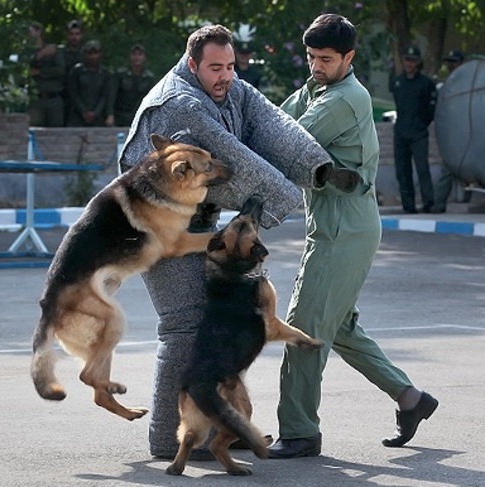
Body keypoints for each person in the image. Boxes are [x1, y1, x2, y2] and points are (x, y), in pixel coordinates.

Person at [118, 24, 361, 460]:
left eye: (230, 65)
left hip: (193, 220)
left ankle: (211, 434)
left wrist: (316, 168)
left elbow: (271, 125)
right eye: (215, 67)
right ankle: (164, 440)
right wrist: (283, 194)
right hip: (152, 224)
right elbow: (230, 158)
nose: (225, 75)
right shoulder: (180, 105)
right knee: (182, 324)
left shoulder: (231, 89)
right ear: (192, 65)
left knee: (203, 327)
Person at [267, 14, 438, 459]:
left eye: (325, 59)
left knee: (305, 328)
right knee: (337, 325)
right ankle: (411, 399)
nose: (316, 66)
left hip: (345, 229)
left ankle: (300, 432)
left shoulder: (345, 98)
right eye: (311, 57)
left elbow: (287, 142)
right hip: (336, 224)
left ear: (349, 58)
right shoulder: (317, 88)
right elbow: (272, 122)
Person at [390, 46, 437, 213]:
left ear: (418, 62)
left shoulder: (426, 83)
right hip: (401, 132)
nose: (409, 63)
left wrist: (421, 124)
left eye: (412, 60)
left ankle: (428, 203)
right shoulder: (398, 82)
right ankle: (408, 205)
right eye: (406, 60)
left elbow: (431, 110)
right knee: (402, 170)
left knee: (422, 169)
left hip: (418, 133)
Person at [432, 49, 470, 213]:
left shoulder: (471, 83)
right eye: (449, 62)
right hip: (453, 135)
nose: (450, 66)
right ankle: (438, 204)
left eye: (454, 62)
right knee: (448, 168)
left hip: (470, 133)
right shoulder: (445, 86)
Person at [27, 22, 66, 127]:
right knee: (34, 131)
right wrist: (41, 54)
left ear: (38, 31)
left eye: (30, 31)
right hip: (36, 100)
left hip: (53, 99)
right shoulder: (26, 52)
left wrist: (40, 72)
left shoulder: (54, 50)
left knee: (56, 133)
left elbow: (60, 70)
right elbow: (24, 69)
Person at [108, 43, 156, 127]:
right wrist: (110, 114)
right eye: (134, 54)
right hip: (120, 115)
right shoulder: (120, 75)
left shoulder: (149, 78)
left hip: (139, 116)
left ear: (145, 57)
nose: (137, 57)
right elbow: (111, 95)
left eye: (140, 54)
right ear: (130, 57)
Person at [67, 40, 111, 126]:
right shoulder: (76, 71)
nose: (92, 56)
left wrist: (96, 112)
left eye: (95, 53)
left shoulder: (105, 73)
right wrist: (83, 112)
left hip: (98, 118)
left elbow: (105, 96)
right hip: (77, 116)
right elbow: (72, 94)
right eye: (89, 53)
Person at [61, 19, 85, 125]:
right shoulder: (60, 53)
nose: (74, 37)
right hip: (62, 96)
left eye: (77, 34)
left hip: (81, 98)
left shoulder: (86, 54)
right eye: (71, 34)